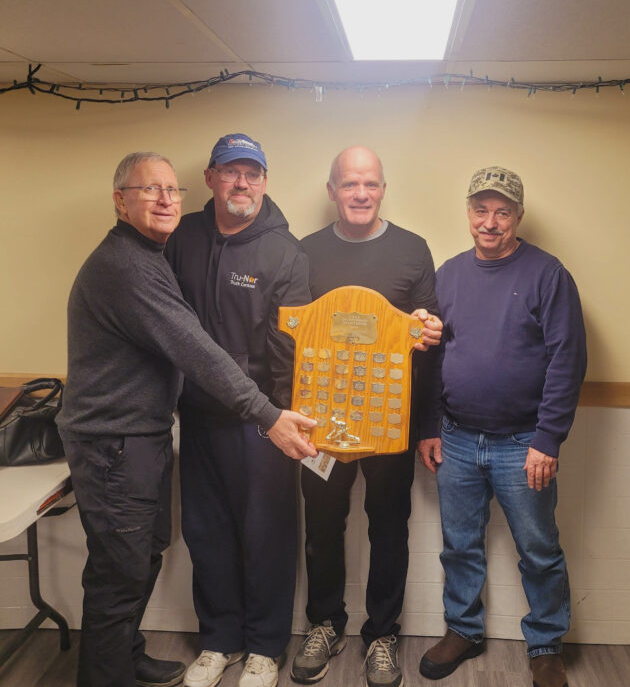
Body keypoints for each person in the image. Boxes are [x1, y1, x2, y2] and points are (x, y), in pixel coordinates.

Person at [56, 152, 316, 687]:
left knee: (144, 555)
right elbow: (193, 347)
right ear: (120, 200)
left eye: (169, 191)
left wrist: (271, 412)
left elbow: (284, 343)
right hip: (119, 440)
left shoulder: (156, 253)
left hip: (186, 428)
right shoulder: (135, 261)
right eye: (149, 190)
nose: (164, 200)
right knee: (127, 569)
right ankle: (125, 669)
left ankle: (136, 656)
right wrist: (267, 414)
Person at [417, 167, 586, 687]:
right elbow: (429, 354)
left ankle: (546, 644)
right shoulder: (448, 274)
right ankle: (463, 631)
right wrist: (429, 427)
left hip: (523, 444)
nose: (490, 222)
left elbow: (568, 359)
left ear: (517, 216)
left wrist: (546, 439)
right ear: (468, 213)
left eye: (502, 211)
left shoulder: (547, 274)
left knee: (538, 548)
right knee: (459, 544)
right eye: (481, 210)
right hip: (457, 438)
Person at [291, 146, 442, 687]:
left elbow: (430, 338)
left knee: (389, 529)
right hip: (321, 429)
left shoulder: (412, 249)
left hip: (390, 426)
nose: (360, 194)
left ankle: (382, 634)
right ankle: (325, 625)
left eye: (371, 184)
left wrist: (427, 424)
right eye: (350, 184)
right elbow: (287, 339)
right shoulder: (302, 252)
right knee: (323, 528)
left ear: (383, 189)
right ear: (332, 189)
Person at [164, 134, 310, 687]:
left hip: (262, 424)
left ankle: (266, 648)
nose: (241, 183)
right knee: (207, 534)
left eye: (252, 173)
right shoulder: (183, 239)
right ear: (211, 179)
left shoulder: (284, 252)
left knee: (266, 536)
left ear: (265, 182)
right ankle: (219, 641)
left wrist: (280, 419)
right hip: (197, 419)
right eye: (230, 172)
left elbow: (288, 351)